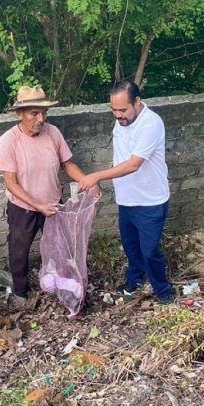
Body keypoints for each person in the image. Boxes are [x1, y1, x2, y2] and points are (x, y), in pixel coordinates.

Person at [0, 86, 96, 308]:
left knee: (61, 248)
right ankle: (20, 292)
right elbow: (11, 183)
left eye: (44, 113)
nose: (41, 119)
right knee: (19, 251)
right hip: (23, 208)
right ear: (19, 114)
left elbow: (67, 164)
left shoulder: (53, 132)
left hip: (53, 204)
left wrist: (88, 181)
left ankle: (65, 287)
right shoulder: (9, 140)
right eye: (34, 113)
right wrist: (38, 205)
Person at [79, 80, 174, 303]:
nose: (117, 115)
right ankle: (135, 279)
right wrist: (101, 181)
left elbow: (133, 164)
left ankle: (163, 290)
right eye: (113, 110)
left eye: (122, 110)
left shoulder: (150, 123)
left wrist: (96, 176)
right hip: (126, 199)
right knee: (131, 246)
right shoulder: (121, 122)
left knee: (150, 250)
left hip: (150, 200)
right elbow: (120, 156)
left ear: (137, 102)